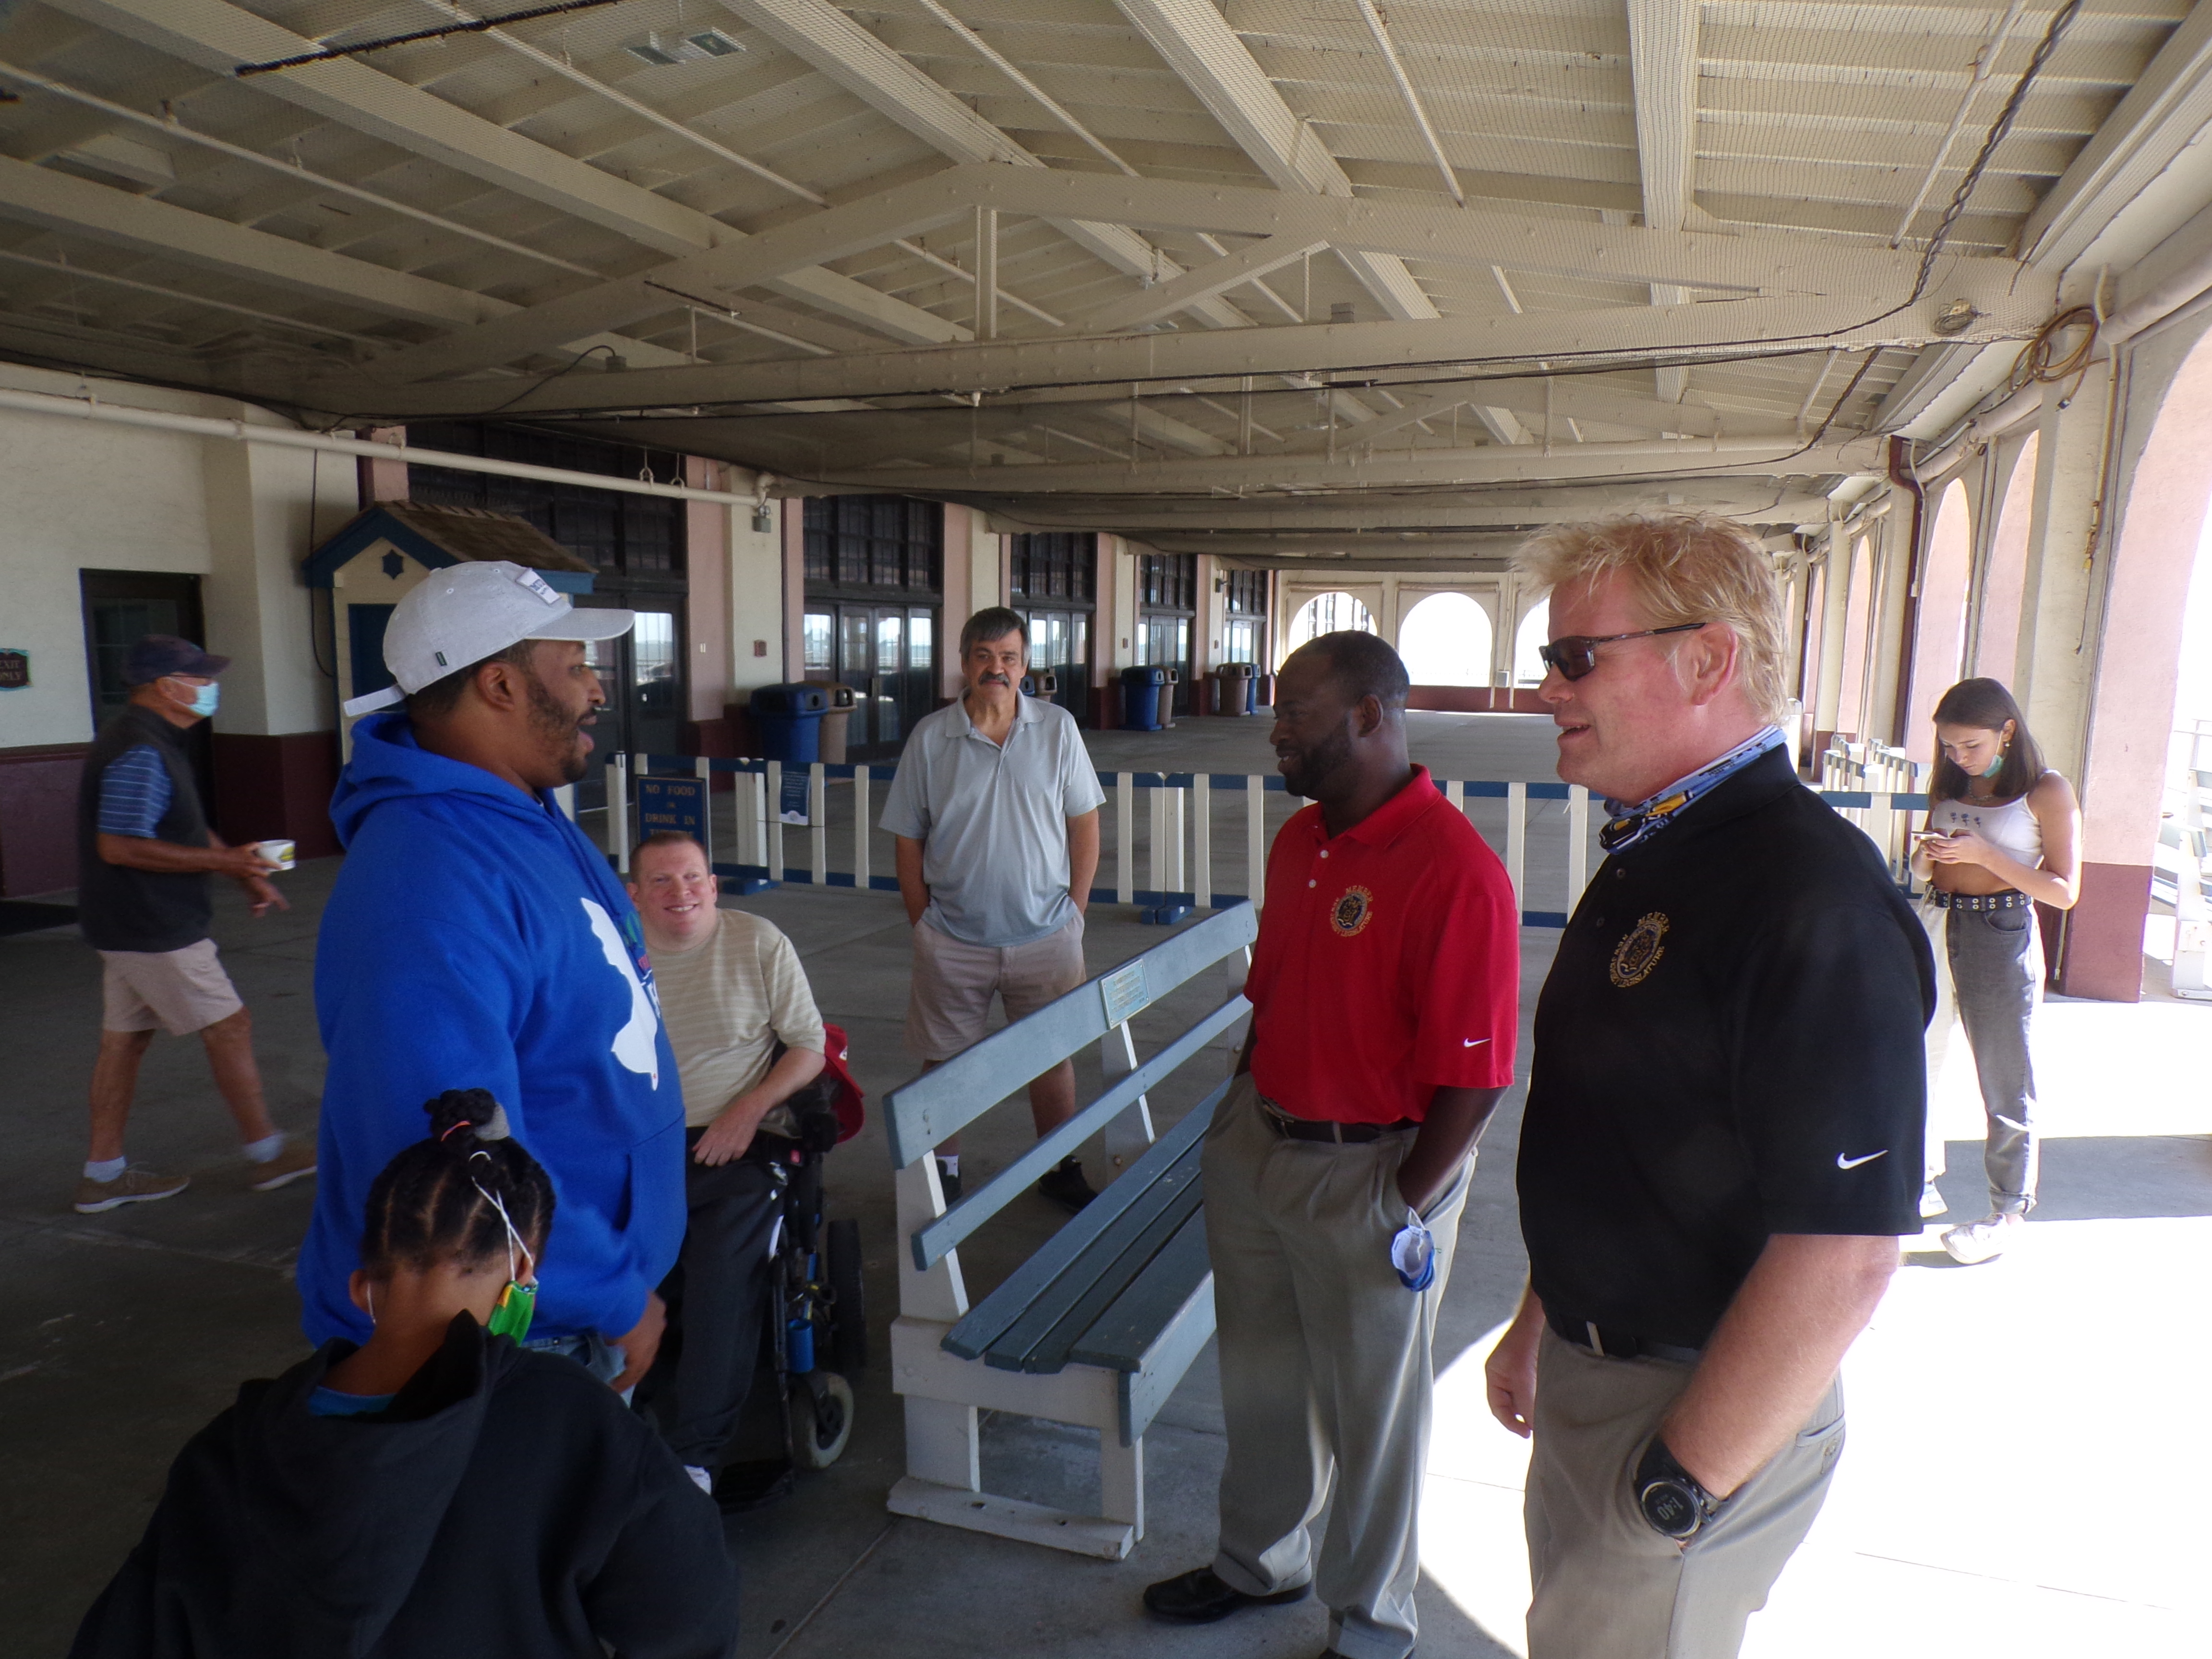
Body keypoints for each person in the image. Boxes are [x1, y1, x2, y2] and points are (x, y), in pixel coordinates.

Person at [1483, 515, 1933, 1659]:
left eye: (1577, 655)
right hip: (1607, 1372)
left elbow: (1845, 1248)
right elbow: (1614, 1122)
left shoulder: (1807, 897)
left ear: (1707, 660)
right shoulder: (1658, 850)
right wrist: (1545, 1316)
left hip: (1690, 1402)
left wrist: (1679, 1485)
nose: (1548, 689)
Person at [1143, 632, 1519, 1659]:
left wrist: (1400, 1200)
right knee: (1264, 1382)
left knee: (1374, 1419)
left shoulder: (1455, 872)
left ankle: (1370, 1624)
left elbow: (1478, 1076)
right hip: (1261, 1149)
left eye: (1296, 712)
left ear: (1369, 716)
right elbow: (1269, 996)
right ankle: (1261, 1564)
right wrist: (1236, 1117)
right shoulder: (1302, 842)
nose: (1278, 732)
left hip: (1373, 1173)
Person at [70, 1088, 738, 1659]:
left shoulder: (229, 1453)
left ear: (363, 1287)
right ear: (525, 1279)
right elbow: (688, 1612)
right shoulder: (573, 1425)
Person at [302, 561, 680, 1395]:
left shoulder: (527, 813)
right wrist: (612, 1294)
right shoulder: (429, 883)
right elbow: (449, 1155)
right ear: (501, 684)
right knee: (537, 1528)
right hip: (511, 1341)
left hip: (574, 1301)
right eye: (575, 664)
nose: (596, 689)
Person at [72, 634, 315, 1214]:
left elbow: (178, 825)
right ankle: (267, 1153)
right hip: (155, 925)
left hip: (129, 925)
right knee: (229, 1025)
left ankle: (102, 1175)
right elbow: (121, 846)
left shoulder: (157, 741)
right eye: (200, 678)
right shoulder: (140, 748)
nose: (211, 688)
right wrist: (230, 861)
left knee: (124, 1044)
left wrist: (239, 870)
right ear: (166, 687)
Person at [624, 829, 829, 1495]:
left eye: (691, 879)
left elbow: (809, 1047)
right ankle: (610, 1422)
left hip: (739, 1141)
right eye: (660, 881)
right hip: (641, 1143)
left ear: (713, 887)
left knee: (718, 1276)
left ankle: (695, 1459)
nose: (678, 893)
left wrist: (750, 1108)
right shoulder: (616, 957)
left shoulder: (758, 942)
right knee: (602, 1265)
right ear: (635, 894)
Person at [880, 607, 1105, 1212]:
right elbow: (908, 838)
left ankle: (1058, 1165)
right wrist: (923, 925)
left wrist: (1075, 914)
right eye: (984, 656)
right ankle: (943, 1175)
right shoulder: (932, 738)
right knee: (945, 1061)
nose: (996, 668)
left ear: (1025, 666)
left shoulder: (1058, 730)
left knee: (1050, 1057)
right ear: (963, 663)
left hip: (1047, 933)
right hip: (953, 937)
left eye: (1008, 657)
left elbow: (1084, 825)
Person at [1913, 677, 2080, 1264]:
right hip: (1938, 920)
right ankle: (1918, 1184)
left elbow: (2064, 892)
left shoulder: (2046, 790)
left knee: (2006, 1073)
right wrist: (1929, 853)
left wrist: (1987, 856)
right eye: (1949, 748)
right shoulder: (1954, 782)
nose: (1958, 758)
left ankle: (2008, 1210)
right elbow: (1930, 872)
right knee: (1916, 1057)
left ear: (2007, 730)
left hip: (2001, 930)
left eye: (1970, 746)